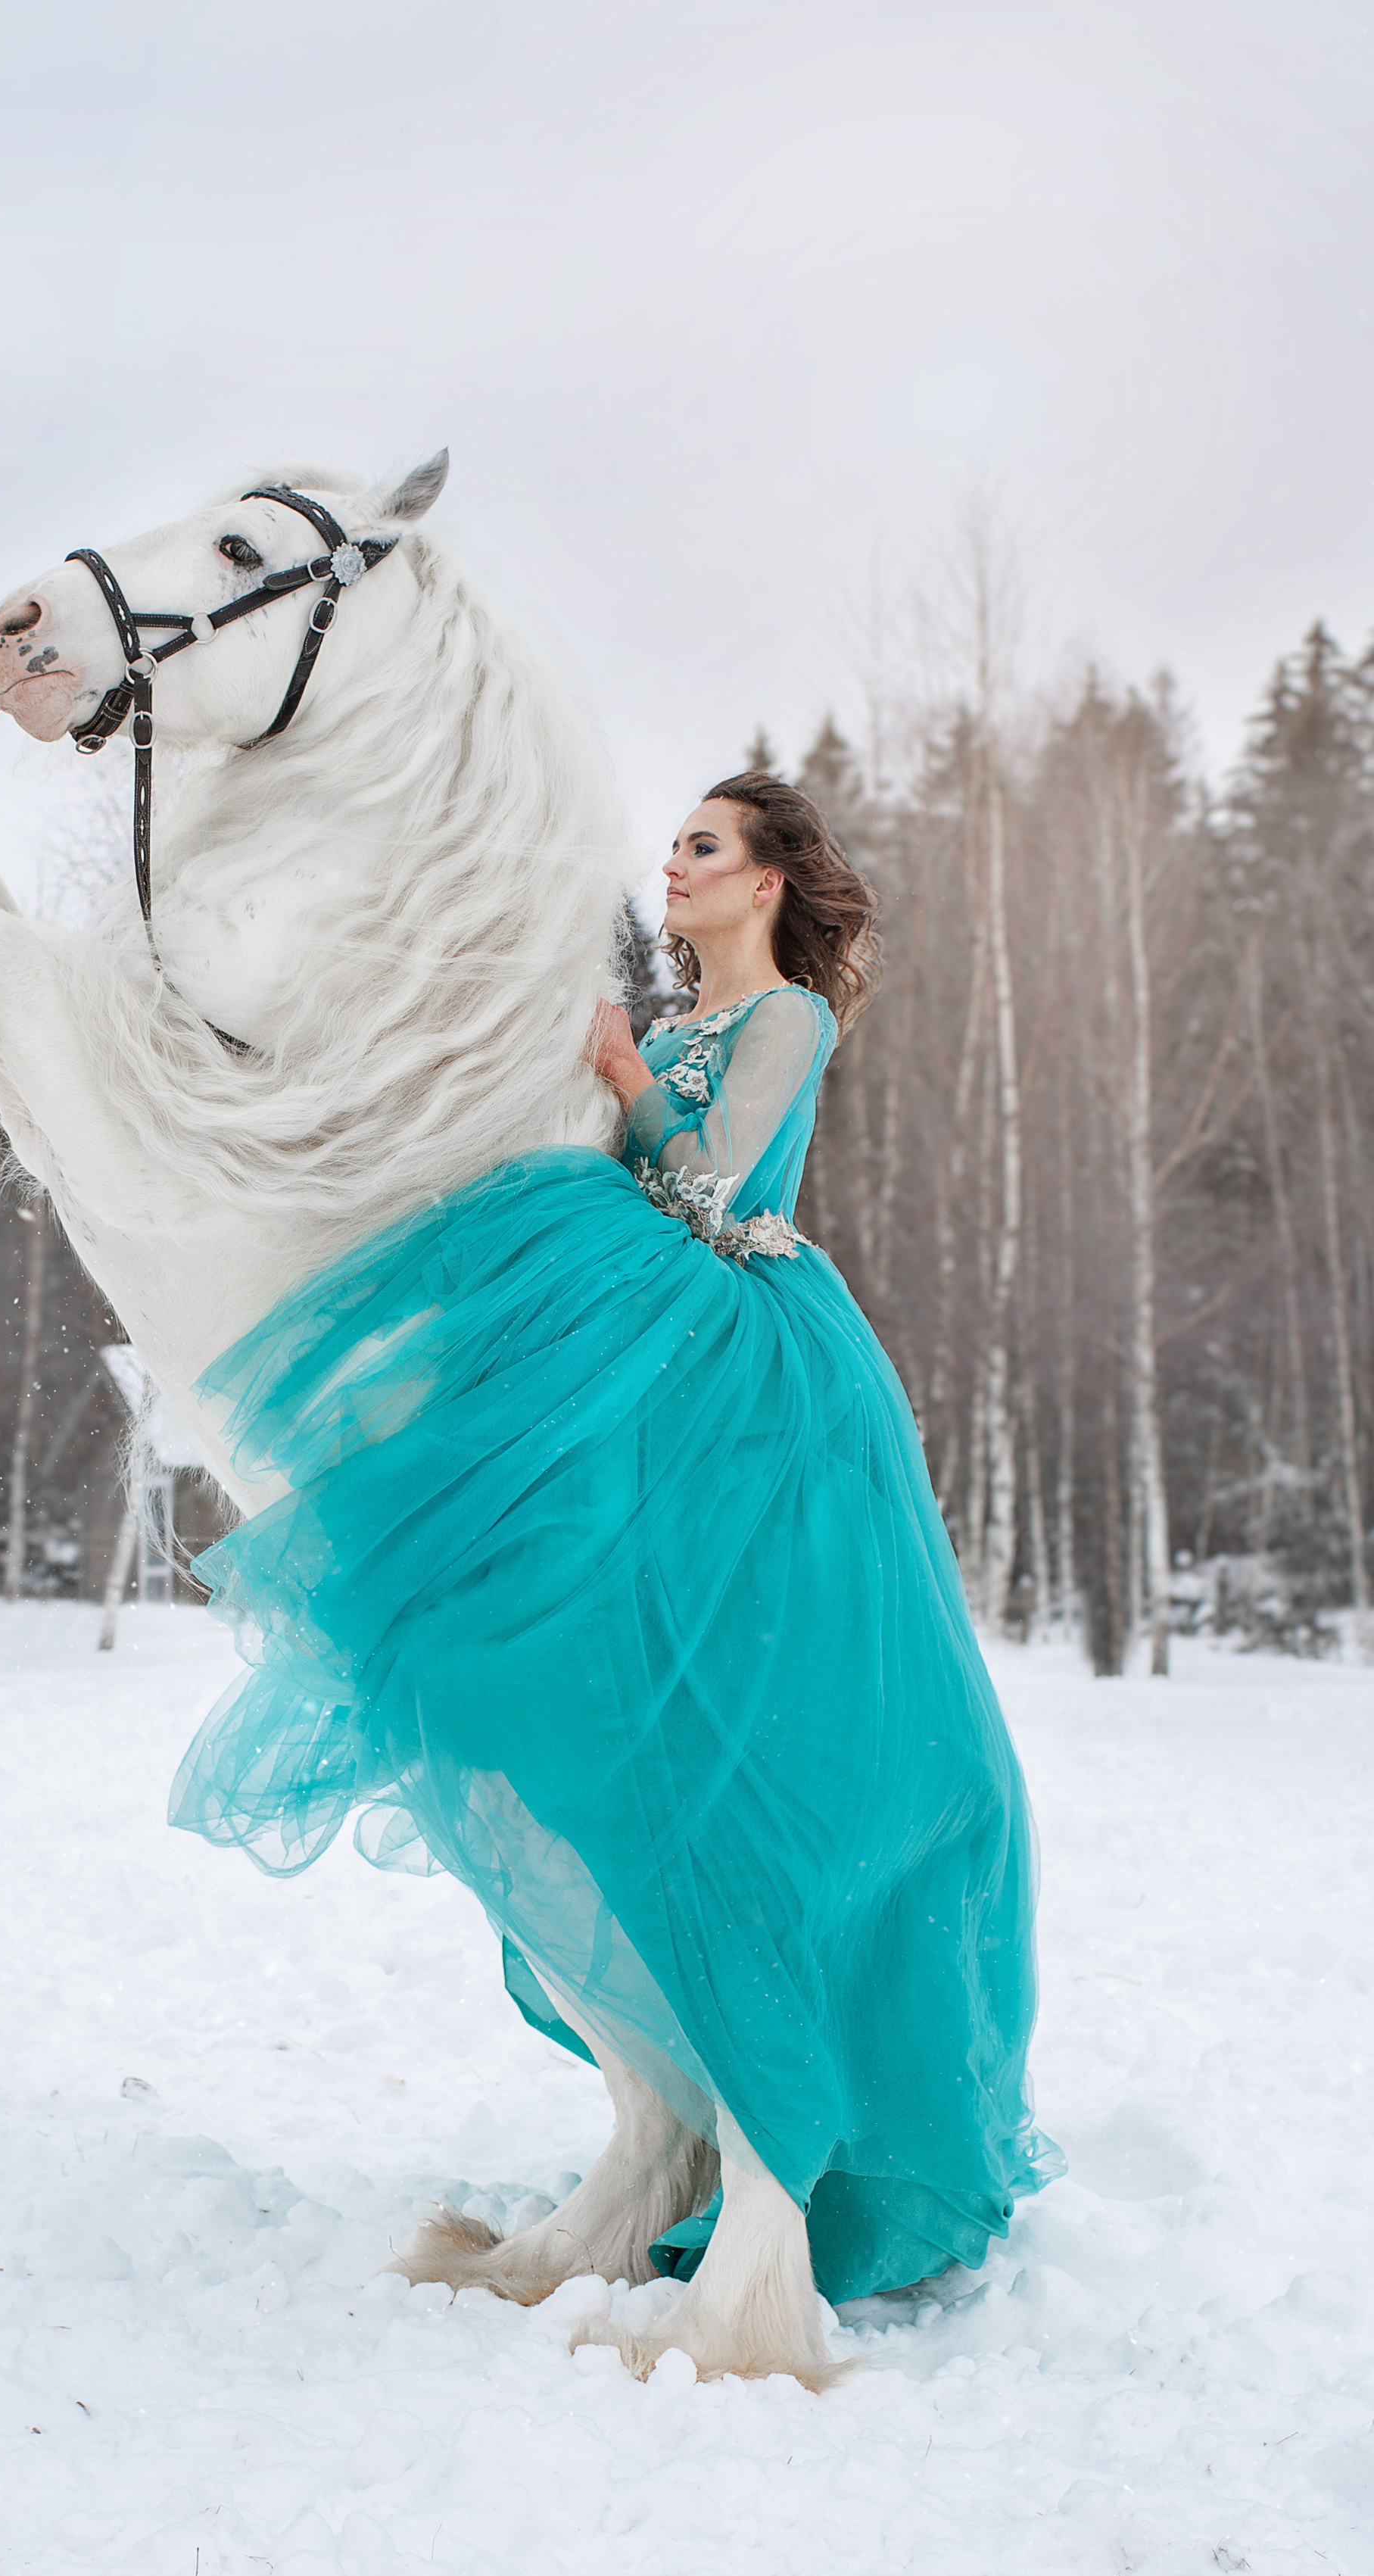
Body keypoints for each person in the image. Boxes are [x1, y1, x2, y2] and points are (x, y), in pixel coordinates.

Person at [170, 772, 1056, 2372]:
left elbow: (705, 1188)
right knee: (534, 1668)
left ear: (769, 884)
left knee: (729, 1712)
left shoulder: (780, 1017)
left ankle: (774, 2146)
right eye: (673, 845)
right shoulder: (667, 1014)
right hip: (651, 1345)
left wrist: (623, 1078)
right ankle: (655, 2126)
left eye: (703, 848)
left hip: (743, 1374)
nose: (673, 866)